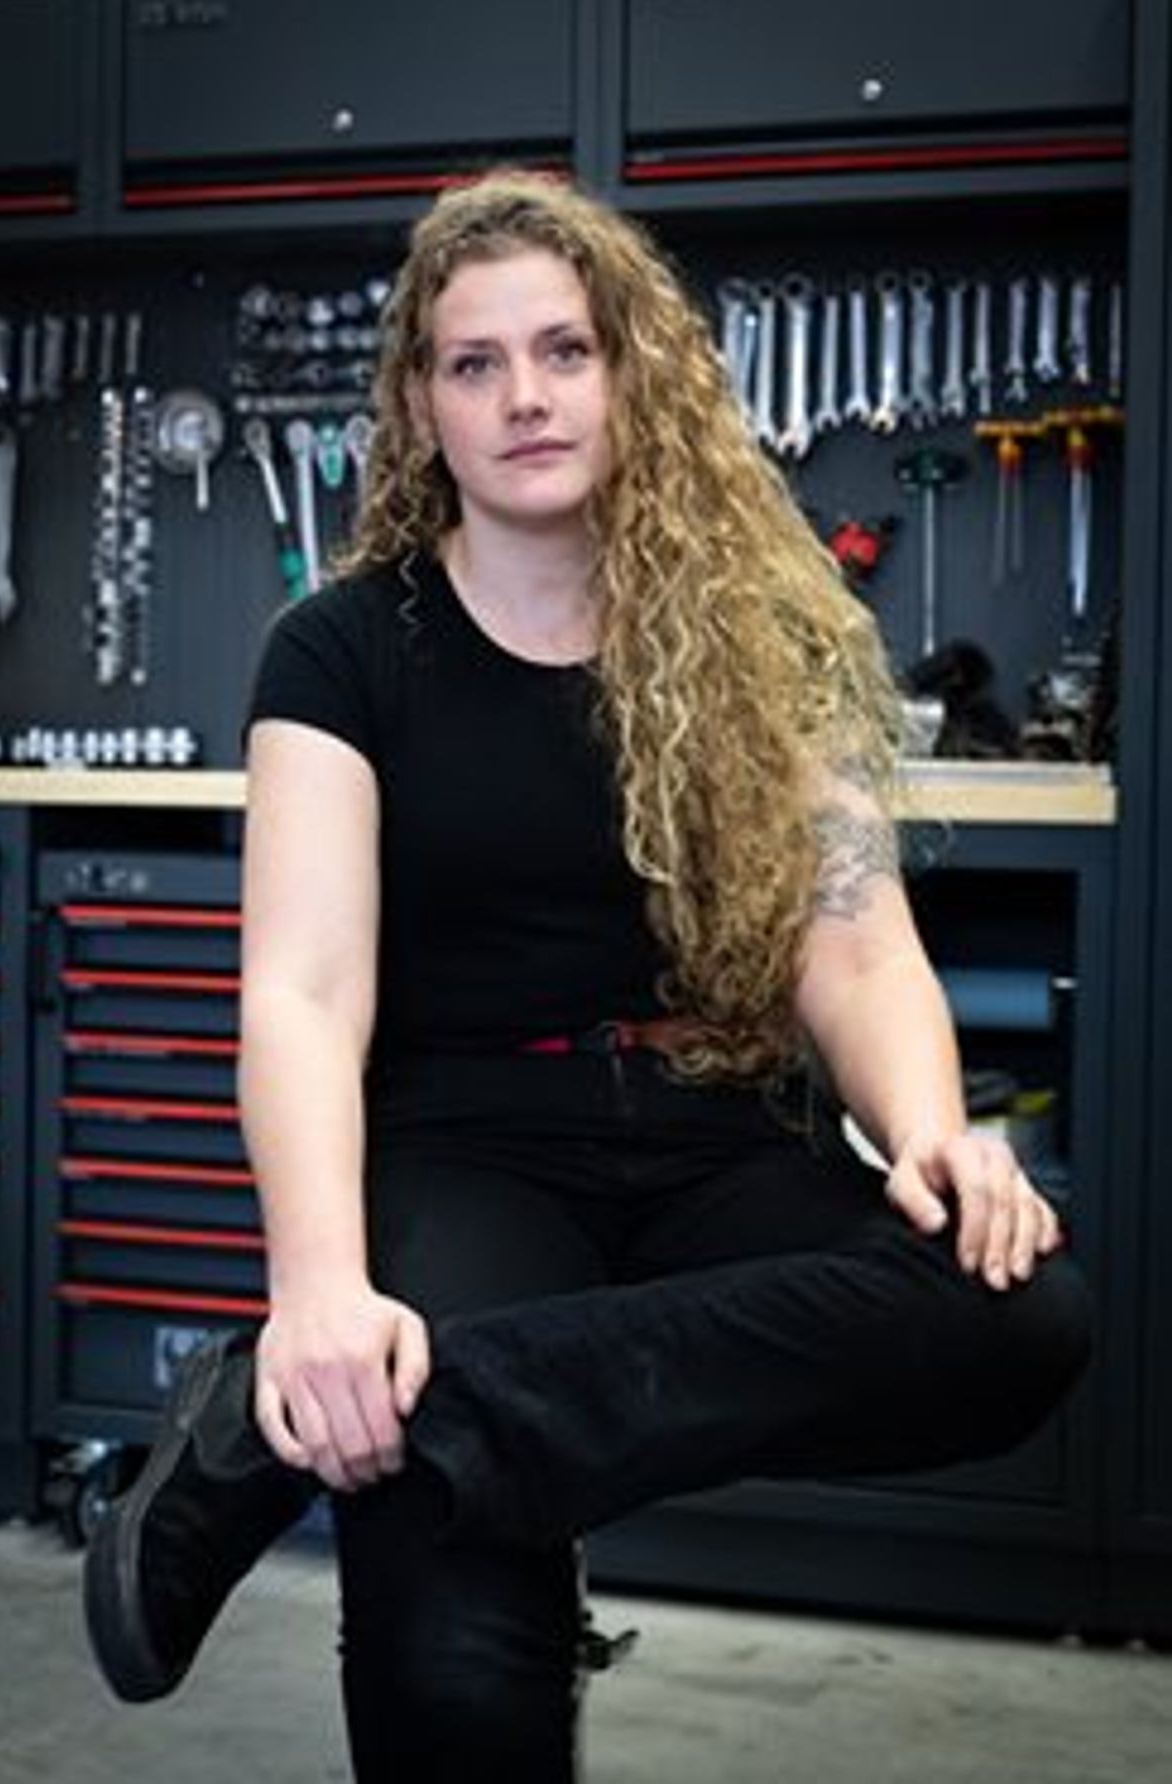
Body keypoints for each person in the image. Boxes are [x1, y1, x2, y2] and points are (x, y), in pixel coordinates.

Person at [83, 170, 1091, 1781]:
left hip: (718, 1126)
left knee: (1015, 1313)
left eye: (565, 349)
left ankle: (286, 1438)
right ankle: (391, 1407)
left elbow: (852, 936)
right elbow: (303, 994)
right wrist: (321, 1291)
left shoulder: (760, 634)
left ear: (633, 372)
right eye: (474, 363)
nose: (526, 396)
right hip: (466, 1143)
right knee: (444, 1623)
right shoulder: (340, 649)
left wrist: (930, 1138)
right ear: (421, 405)